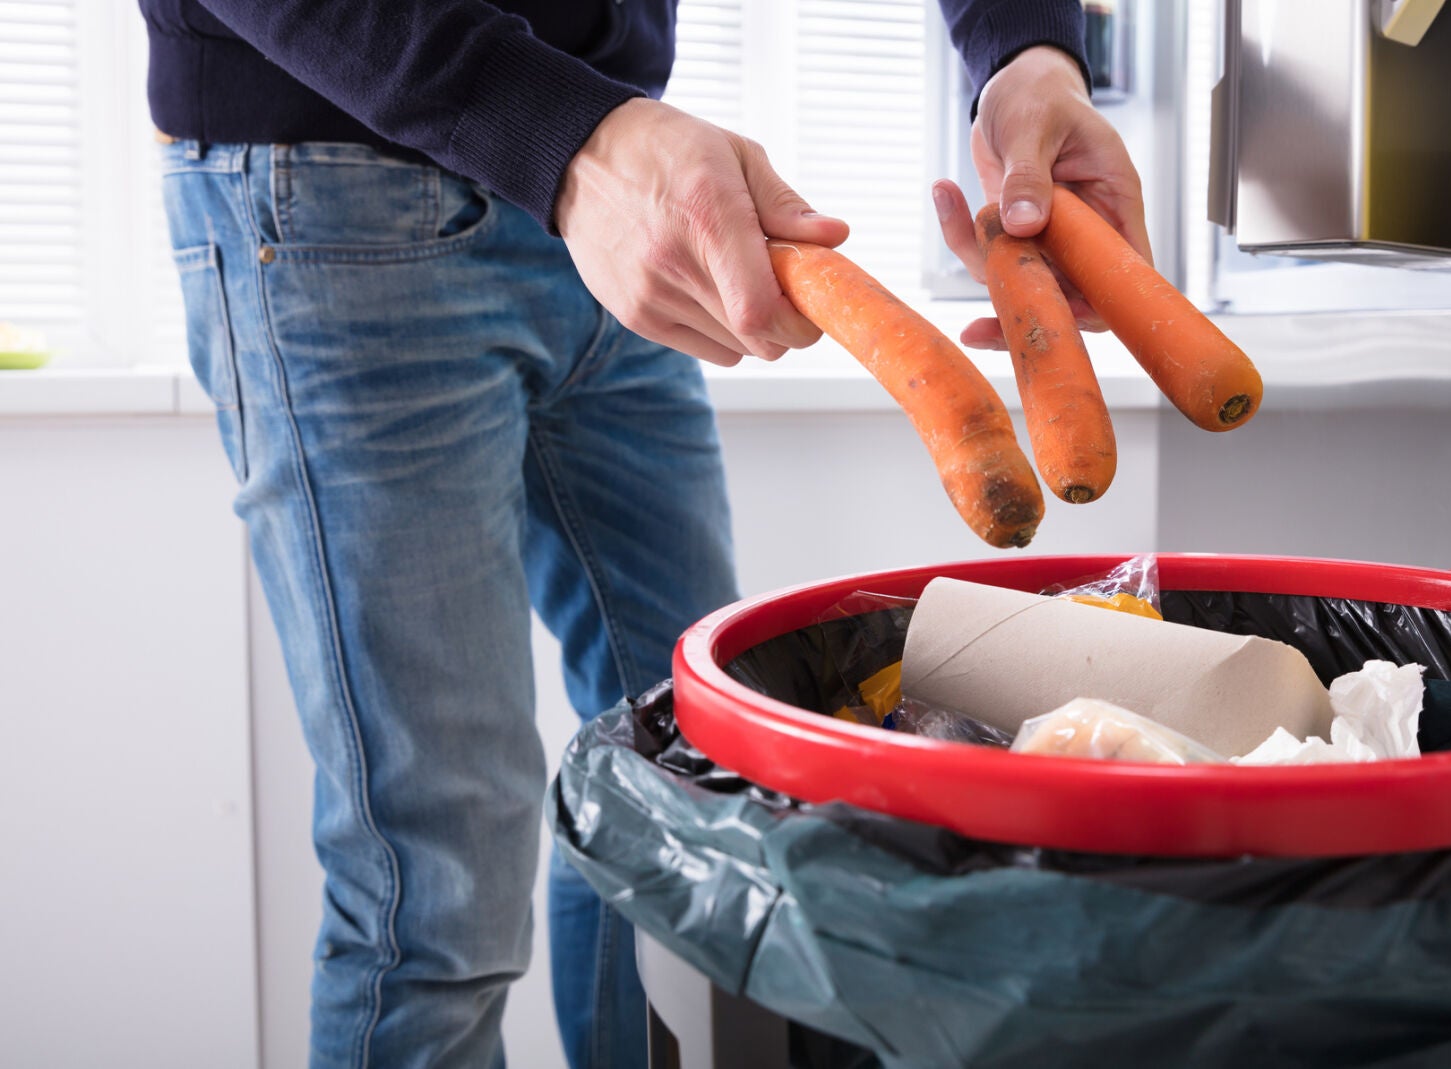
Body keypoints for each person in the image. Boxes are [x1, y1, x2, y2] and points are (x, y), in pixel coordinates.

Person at [139, 0, 1148, 1065]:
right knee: (440, 877)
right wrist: (568, 134)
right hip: (345, 191)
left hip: (605, 191)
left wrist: (1026, 54)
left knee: (680, 789)